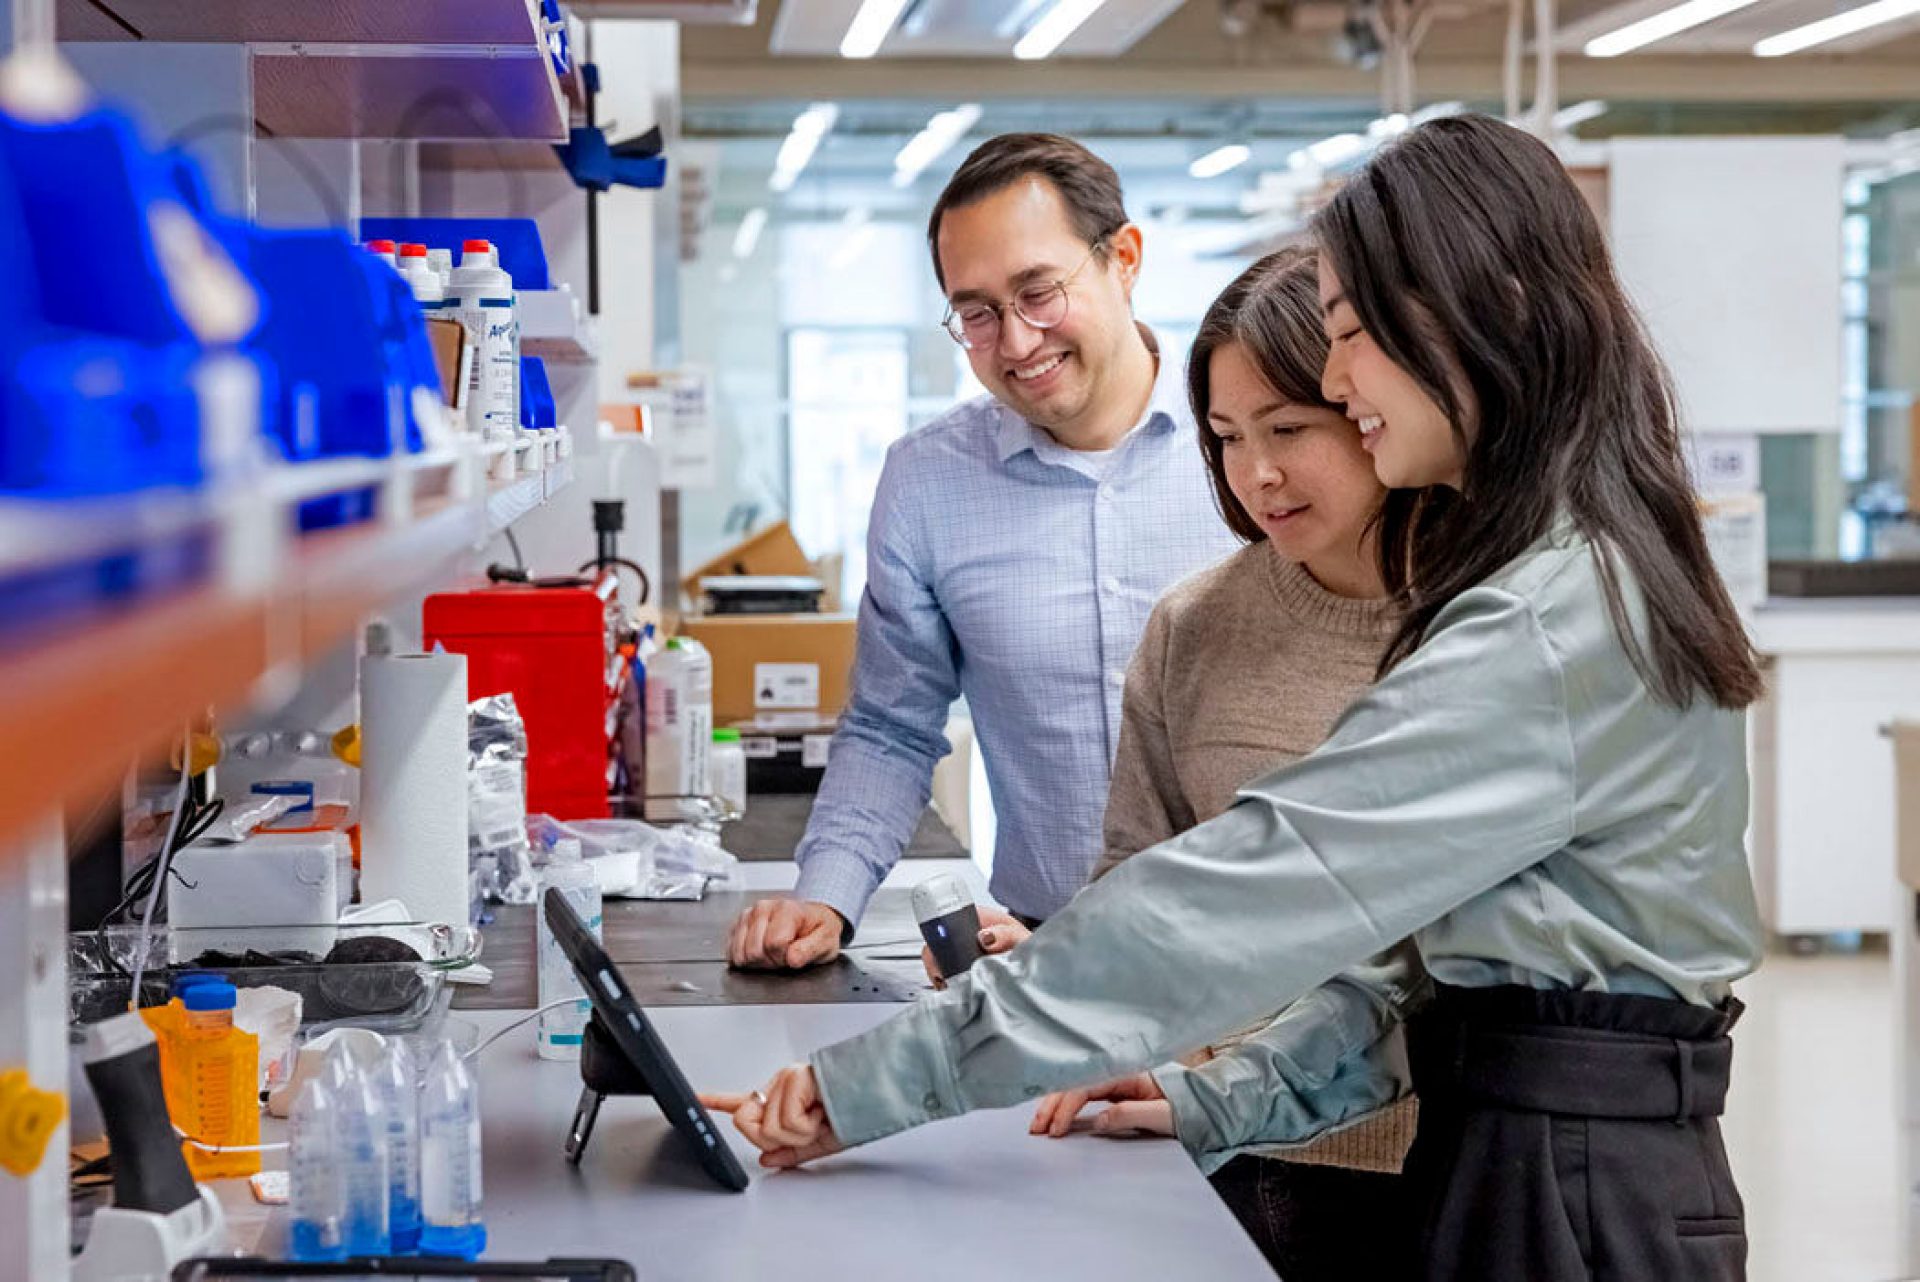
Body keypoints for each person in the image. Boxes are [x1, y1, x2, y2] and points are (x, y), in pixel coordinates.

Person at [704, 114, 1766, 1282]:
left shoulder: (1541, 618)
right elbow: (1420, 975)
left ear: (1484, 312)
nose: (1341, 375)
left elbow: (1247, 893)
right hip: (1528, 1155)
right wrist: (1219, 1094)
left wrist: (856, 1087)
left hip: (1569, 1187)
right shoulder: (1569, 570)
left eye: (1352, 336)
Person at [945, 246, 1421, 1281]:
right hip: (1209, 1148)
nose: (1258, 474)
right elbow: (1141, 882)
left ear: (1369, 408)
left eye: (1290, 429)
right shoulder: (1195, 624)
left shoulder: (1474, 633)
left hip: (1420, 1168)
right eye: (1226, 437)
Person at [725, 134, 1237, 970]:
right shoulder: (928, 483)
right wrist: (827, 893)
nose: (1017, 341)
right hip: (1044, 952)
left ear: (1125, 258)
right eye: (977, 313)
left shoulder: (1255, 441)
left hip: (1263, 962)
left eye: (1038, 292)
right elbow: (892, 725)